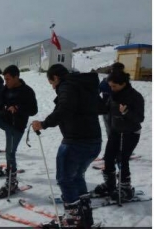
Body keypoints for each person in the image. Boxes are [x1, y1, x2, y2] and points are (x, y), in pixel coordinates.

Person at [32, 64, 102, 228]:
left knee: (64, 179)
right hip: (93, 141)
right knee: (77, 177)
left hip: (76, 141)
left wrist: (43, 124)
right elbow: (100, 106)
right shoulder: (83, 85)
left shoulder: (67, 86)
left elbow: (64, 108)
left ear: (56, 78)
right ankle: (84, 217)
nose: (53, 87)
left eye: (51, 83)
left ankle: (72, 220)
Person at [0, 65, 37, 198]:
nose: (6, 82)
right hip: (6, 121)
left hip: (16, 127)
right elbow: (1, 103)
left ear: (16, 77)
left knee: (10, 154)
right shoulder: (6, 88)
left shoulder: (27, 91)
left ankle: (11, 183)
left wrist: (18, 108)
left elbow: (34, 110)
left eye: (8, 79)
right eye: (5, 79)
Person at [93, 71, 144, 201]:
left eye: (114, 86)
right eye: (110, 86)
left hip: (130, 133)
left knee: (122, 159)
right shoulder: (113, 95)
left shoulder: (135, 96)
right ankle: (110, 185)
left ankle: (125, 188)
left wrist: (126, 112)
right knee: (109, 157)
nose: (112, 88)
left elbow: (139, 118)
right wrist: (94, 101)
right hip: (116, 131)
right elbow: (105, 109)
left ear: (123, 84)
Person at [99, 62, 125, 137]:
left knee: (111, 129)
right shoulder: (124, 81)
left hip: (114, 109)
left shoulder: (106, 81)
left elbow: (96, 92)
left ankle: (113, 143)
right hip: (115, 108)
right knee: (114, 129)